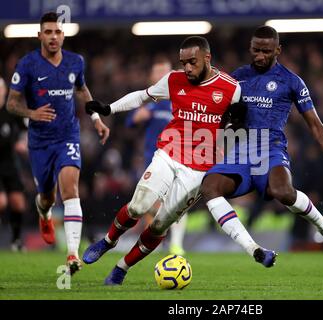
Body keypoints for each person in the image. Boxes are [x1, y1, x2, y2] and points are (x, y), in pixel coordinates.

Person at [83, 36, 276, 285]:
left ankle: (121, 268)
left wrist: (236, 128)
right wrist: (109, 109)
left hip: (199, 170)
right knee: (137, 208)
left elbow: (239, 126)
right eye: (183, 62)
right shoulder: (174, 80)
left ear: (207, 58)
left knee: (159, 226)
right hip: (168, 153)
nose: (187, 68)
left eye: (192, 62)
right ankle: (107, 242)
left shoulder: (231, 88)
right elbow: (142, 96)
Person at [200, 26, 323, 253]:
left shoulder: (291, 82)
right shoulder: (237, 78)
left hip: (271, 148)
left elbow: (315, 124)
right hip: (239, 150)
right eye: (255, 50)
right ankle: (254, 250)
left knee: (283, 192)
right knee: (209, 187)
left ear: (278, 50)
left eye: (266, 51)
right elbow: (219, 115)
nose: (259, 55)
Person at [6, 12, 110, 274]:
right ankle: (44, 214)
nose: (53, 37)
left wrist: (96, 117)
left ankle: (72, 254)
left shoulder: (76, 62)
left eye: (58, 32)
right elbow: (11, 103)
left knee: (71, 189)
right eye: (48, 32)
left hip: (68, 136)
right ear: (40, 35)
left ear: (63, 35)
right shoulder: (27, 64)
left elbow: (82, 91)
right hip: (40, 141)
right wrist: (32, 114)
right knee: (47, 197)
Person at [124, 59, 187, 256]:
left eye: (164, 72)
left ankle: (176, 245)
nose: (161, 76)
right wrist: (136, 117)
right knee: (150, 205)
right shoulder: (150, 102)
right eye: (157, 72)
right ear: (151, 77)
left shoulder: (181, 99)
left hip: (180, 158)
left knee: (180, 200)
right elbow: (129, 123)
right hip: (153, 160)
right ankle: (156, 237)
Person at [0, 76, 27, 251]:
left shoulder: (10, 110)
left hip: (9, 161)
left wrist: (23, 142)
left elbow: (26, 127)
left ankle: (16, 241)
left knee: (18, 202)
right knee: (1, 202)